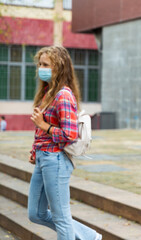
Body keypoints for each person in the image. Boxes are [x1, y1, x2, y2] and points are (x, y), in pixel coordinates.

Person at [28, 46, 102, 240]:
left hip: (56, 161)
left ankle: (88, 236)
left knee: (61, 218)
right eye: (39, 64)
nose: (40, 68)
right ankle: (89, 236)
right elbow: (41, 130)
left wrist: (44, 125)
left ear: (58, 67)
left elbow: (69, 134)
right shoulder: (47, 93)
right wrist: (35, 150)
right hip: (43, 158)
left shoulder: (63, 95)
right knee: (36, 213)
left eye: (45, 64)